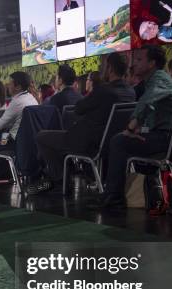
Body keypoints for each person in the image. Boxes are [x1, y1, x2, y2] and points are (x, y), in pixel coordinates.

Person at [30, 52, 136, 195]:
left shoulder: (103, 90)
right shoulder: (130, 91)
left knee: (42, 137)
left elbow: (79, 109)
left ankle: (60, 180)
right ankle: (68, 174)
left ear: (109, 68)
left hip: (88, 141)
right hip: (110, 141)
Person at [100, 45, 172, 207]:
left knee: (118, 141)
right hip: (166, 136)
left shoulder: (159, 79)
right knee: (122, 140)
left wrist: (130, 128)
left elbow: (146, 102)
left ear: (151, 63)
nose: (132, 64)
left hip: (166, 138)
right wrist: (139, 128)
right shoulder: (156, 79)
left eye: (138, 60)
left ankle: (114, 196)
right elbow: (153, 109)